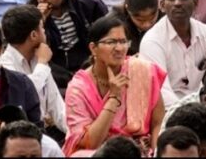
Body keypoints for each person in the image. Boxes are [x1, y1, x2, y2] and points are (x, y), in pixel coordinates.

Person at [62, 14, 167, 155]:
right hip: (100, 153)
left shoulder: (142, 70)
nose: (119, 48)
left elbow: (158, 123)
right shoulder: (78, 88)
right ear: (93, 48)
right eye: (111, 42)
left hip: (141, 151)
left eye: (123, 41)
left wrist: (157, 153)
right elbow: (90, 143)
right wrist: (113, 98)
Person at [138, 0, 206, 104]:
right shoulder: (152, 41)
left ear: (195, 3)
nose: (178, 3)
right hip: (167, 109)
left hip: (201, 104)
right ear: (162, 5)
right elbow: (162, 93)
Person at [30, 0, 108, 89]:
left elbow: (108, 30)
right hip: (54, 70)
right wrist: (39, 22)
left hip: (87, 62)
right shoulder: (30, 12)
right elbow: (30, 47)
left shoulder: (87, 4)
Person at [0, 5, 67, 139]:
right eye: (42, 28)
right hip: (20, 138)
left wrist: (78, 136)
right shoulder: (4, 65)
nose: (45, 32)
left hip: (48, 133)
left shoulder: (39, 59)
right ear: (34, 35)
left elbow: (58, 109)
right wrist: (42, 64)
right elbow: (24, 91)